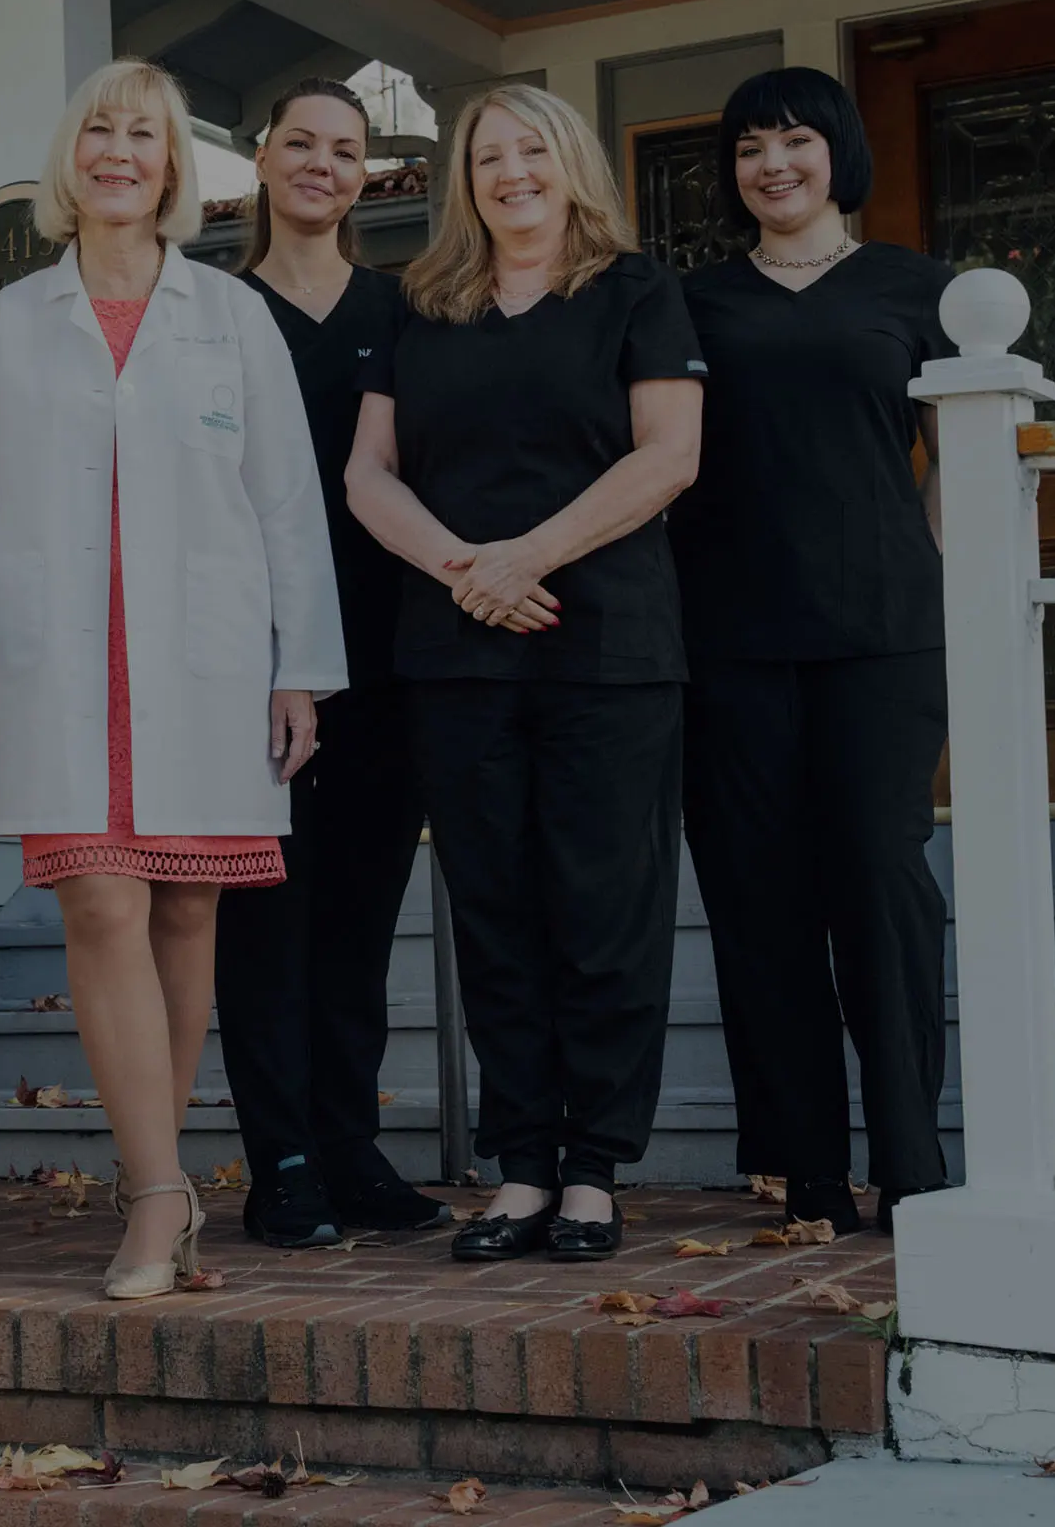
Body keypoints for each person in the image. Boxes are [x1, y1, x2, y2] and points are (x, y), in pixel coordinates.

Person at [0, 59, 346, 1300]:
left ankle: (168, 1180)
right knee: (100, 902)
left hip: (207, 664)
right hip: (65, 663)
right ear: (68, 160)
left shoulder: (232, 317)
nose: (118, 151)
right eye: (97, 129)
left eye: (142, 134)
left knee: (187, 914)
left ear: (173, 169)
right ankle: (154, 1195)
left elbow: (288, 507)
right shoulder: (13, 321)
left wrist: (301, 667)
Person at [345, 83, 702, 1264]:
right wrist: (466, 573)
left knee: (604, 907)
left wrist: (528, 558)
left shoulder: (638, 293)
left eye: (530, 150)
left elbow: (671, 457)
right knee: (495, 913)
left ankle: (594, 1168)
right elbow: (368, 475)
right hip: (458, 655)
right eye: (487, 156)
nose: (510, 174)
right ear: (467, 180)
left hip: (607, 649)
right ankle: (523, 1169)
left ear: (570, 164)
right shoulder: (424, 305)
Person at [670, 67, 953, 1236]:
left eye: (794, 139)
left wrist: (934, 581)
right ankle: (807, 1171)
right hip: (728, 644)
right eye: (749, 147)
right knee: (758, 899)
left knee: (881, 884)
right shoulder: (689, 302)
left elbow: (973, 460)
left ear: (838, 149)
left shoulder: (920, 290)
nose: (772, 164)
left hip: (881, 640)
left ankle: (911, 1164)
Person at [212, 78, 445, 1247]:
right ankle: (284, 1161)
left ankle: (351, 1148)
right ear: (260, 160)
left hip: (383, 655)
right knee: (268, 922)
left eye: (344, 150)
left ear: (366, 174)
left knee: (359, 916)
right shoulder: (212, 309)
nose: (321, 164)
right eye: (299, 142)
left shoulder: (401, 310)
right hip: (249, 663)